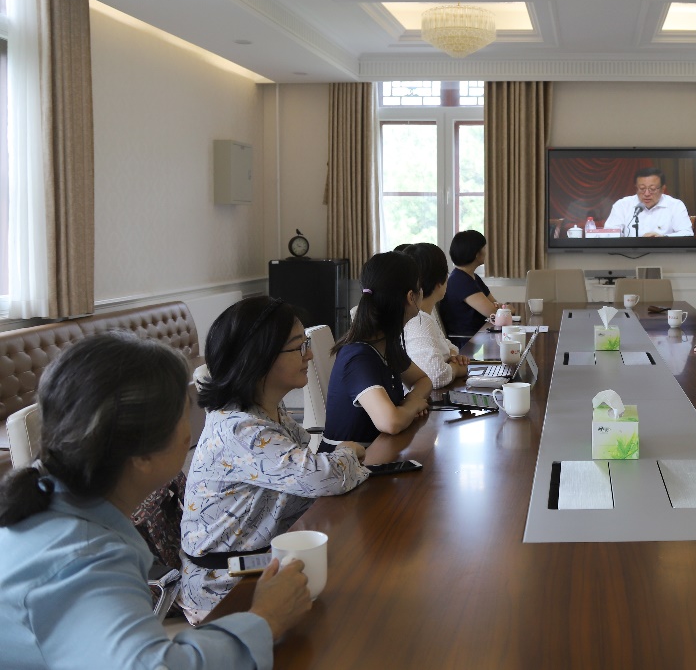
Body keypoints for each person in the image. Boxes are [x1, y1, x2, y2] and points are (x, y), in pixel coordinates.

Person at [0, 333, 311, 669]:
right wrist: (265, 618)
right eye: (183, 411)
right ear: (142, 455)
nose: (191, 429)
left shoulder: (50, 505)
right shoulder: (85, 561)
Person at [179, 296, 371, 623]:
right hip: (225, 586)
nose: (309, 354)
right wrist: (350, 451)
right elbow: (322, 476)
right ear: (260, 357)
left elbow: (306, 465)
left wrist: (338, 460)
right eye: (298, 347)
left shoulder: (265, 408)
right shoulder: (241, 429)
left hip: (261, 559)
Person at [324, 251, 435, 445]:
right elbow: (390, 422)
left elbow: (423, 380)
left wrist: (410, 402)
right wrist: (411, 407)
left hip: (379, 451)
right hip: (351, 461)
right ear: (411, 297)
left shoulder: (386, 343)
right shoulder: (358, 357)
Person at [398, 242, 470, 389]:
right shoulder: (419, 320)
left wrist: (452, 357)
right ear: (439, 282)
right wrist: (456, 368)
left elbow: (448, 346)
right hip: (426, 400)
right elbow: (435, 376)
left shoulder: (426, 314)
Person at [438, 230, 500, 342]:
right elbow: (494, 313)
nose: (486, 252)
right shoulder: (460, 281)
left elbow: (495, 304)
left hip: (480, 336)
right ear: (477, 254)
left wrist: (500, 309)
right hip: (467, 343)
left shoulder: (472, 277)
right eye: (484, 248)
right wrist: (503, 309)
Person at [603, 167, 693, 237]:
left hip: (664, 253)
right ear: (636, 188)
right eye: (642, 188)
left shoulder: (675, 205)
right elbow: (609, 234)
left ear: (663, 189)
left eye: (652, 189)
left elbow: (687, 233)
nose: (646, 194)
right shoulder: (622, 205)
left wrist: (663, 238)